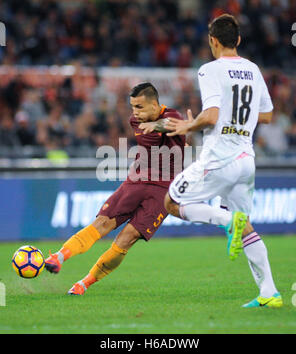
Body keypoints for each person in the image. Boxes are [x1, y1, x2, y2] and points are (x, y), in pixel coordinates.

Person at [163, 14, 282, 308]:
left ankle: (227, 221)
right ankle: (270, 292)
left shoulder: (210, 70)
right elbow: (267, 115)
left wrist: (186, 127)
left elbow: (212, 116)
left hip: (218, 160)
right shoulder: (253, 70)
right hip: (246, 161)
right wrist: (239, 121)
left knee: (171, 202)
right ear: (238, 40)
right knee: (248, 228)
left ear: (212, 41)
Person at [45, 82, 186, 295]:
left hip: (163, 192)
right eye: (132, 107)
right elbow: (163, 129)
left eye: (139, 107)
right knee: (102, 223)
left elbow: (171, 123)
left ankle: (85, 283)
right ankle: (59, 256)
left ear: (156, 105)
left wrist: (156, 125)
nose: (134, 113)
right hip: (137, 181)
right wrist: (155, 125)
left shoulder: (173, 115)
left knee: (126, 238)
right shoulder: (136, 120)